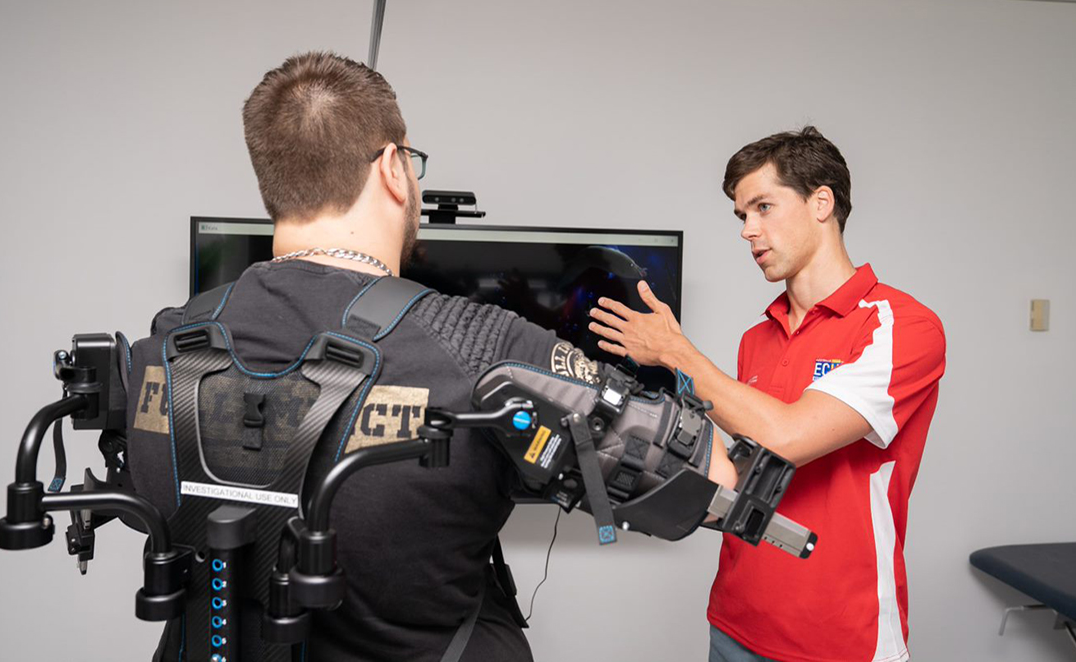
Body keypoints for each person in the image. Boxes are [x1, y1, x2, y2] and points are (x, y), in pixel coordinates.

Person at [124, 52, 737, 662]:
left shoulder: (167, 342)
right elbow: (713, 479)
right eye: (411, 161)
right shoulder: (484, 344)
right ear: (394, 168)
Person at [588, 126, 945, 662]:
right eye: (741, 216)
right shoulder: (757, 339)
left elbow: (788, 436)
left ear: (821, 202)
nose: (747, 230)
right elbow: (743, 472)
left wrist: (676, 353)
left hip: (839, 638)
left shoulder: (901, 327)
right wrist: (615, 450)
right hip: (735, 622)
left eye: (762, 207)